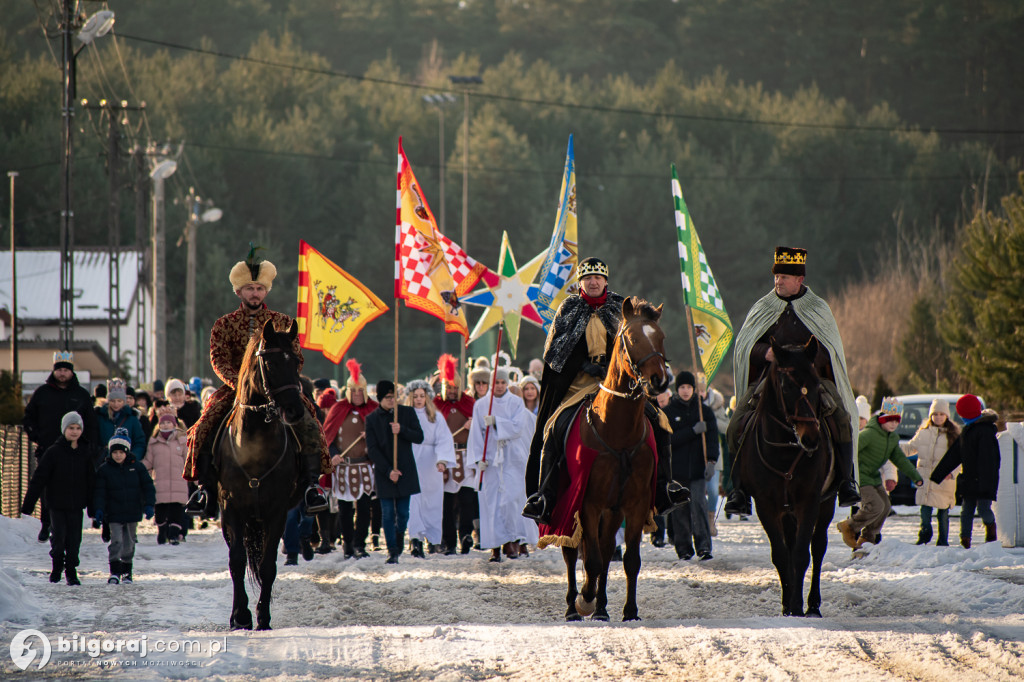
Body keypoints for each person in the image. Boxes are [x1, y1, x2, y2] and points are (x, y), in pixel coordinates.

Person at [524, 257, 686, 522]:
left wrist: (618, 367)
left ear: (606, 281)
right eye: (588, 278)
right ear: (580, 283)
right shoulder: (568, 308)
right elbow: (554, 352)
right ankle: (545, 496)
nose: (593, 281)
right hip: (578, 385)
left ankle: (664, 487)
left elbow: (637, 343)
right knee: (554, 426)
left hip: (619, 383)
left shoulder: (620, 308)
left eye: (598, 277)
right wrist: (583, 365)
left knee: (659, 421)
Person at [184, 246, 328, 516]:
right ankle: (204, 489)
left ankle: (311, 486)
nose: (255, 293)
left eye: (259, 289)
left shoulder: (283, 322)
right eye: (249, 288)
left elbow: (295, 356)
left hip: (276, 389)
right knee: (203, 424)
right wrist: (240, 383)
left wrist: (281, 380)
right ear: (239, 292)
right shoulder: (223, 325)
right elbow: (218, 359)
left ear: (266, 292)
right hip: (235, 390)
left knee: (309, 419)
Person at [725, 246, 861, 516]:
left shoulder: (818, 309)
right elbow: (745, 346)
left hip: (812, 380)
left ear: (799, 280)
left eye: (784, 277)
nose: (778, 282)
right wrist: (766, 352)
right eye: (776, 277)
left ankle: (847, 481)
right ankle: (738, 489)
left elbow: (829, 349)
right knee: (737, 423)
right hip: (771, 379)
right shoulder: (763, 307)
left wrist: (806, 359)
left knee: (842, 417)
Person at [22, 351, 100, 542]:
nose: (63, 373)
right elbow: (28, 418)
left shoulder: (80, 395)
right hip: (48, 448)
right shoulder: (42, 393)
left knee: (72, 485)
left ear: (72, 372)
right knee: (47, 487)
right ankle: (46, 522)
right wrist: (37, 436)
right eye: (60, 370)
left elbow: (91, 424)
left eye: (66, 370)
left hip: (75, 450)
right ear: (54, 371)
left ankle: (70, 526)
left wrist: (90, 447)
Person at [469, 366, 536, 562]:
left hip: (511, 459)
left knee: (511, 501)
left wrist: (497, 421)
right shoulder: (482, 404)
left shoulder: (516, 402)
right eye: (496, 382)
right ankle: (495, 546)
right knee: (492, 502)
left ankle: (513, 540)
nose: (499, 386)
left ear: (507, 383)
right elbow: (476, 433)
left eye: (502, 382)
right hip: (490, 459)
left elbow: (517, 427)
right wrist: (478, 458)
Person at [20, 411, 96, 585]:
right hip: (56, 503)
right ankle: (56, 567)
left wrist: (92, 506)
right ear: (64, 429)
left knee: (74, 540)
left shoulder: (85, 453)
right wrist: (28, 504)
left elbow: (91, 480)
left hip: (76, 504)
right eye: (71, 428)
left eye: (78, 428)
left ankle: (71, 570)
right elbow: (39, 478)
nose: (75, 431)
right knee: (59, 538)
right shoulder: (53, 452)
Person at [837, 397, 922, 550]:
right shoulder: (869, 434)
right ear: (881, 420)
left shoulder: (892, 438)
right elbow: (851, 450)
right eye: (890, 420)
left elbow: (900, 459)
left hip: (874, 477)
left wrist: (915, 477)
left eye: (897, 420)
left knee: (886, 506)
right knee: (875, 505)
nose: (894, 424)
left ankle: (868, 537)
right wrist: (845, 472)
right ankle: (848, 526)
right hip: (861, 476)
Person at [321, 359, 378, 559]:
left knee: (363, 508)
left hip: (364, 466)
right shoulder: (338, 409)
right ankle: (347, 544)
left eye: (360, 391)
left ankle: (360, 544)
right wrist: (334, 453)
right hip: (343, 467)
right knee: (345, 509)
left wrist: (370, 436)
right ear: (348, 392)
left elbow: (382, 439)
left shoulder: (373, 409)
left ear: (365, 391)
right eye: (353, 391)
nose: (356, 395)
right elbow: (328, 436)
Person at [930, 394, 1000, 548]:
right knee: (966, 510)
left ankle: (991, 531)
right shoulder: (967, 431)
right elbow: (954, 455)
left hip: (984, 480)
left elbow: (990, 461)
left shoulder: (985, 432)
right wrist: (937, 475)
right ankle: (965, 541)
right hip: (968, 479)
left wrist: (985, 482)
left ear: (966, 413)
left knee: (983, 509)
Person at [365, 380, 424, 564]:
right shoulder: (372, 419)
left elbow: (419, 436)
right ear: (380, 398)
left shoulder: (406, 413)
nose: (392, 400)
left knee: (403, 513)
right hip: (385, 472)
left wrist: (402, 430)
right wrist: (389, 470)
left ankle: (399, 538)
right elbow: (372, 449)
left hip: (405, 471)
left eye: (394, 396)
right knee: (388, 513)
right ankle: (392, 550)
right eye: (388, 397)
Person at [663, 371, 719, 560]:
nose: (685, 391)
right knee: (680, 510)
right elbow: (668, 440)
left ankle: (704, 546)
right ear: (677, 390)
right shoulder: (669, 412)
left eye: (688, 387)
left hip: (697, 470)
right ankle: (684, 548)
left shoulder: (704, 411)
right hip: (676, 470)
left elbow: (712, 439)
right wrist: (692, 431)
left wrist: (712, 461)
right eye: (682, 387)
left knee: (699, 506)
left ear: (694, 389)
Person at [94, 428, 156, 584]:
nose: (118, 455)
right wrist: (99, 509)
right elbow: (100, 492)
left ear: (127, 452)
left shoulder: (137, 467)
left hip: (132, 512)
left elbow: (148, 486)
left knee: (128, 544)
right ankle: (115, 571)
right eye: (115, 452)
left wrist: (149, 505)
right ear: (110, 453)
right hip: (113, 513)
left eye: (121, 452)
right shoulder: (105, 470)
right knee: (116, 541)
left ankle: (127, 571)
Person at [405, 380, 457, 557]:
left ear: (427, 397)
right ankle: (415, 539)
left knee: (432, 502)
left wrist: (442, 459)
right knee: (413, 501)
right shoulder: (404, 415)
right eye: (415, 396)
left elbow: (444, 439)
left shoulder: (435, 416)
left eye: (422, 396)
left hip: (431, 462)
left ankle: (433, 539)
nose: (419, 399)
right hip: (411, 460)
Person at [434, 354, 479, 555]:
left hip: (466, 456)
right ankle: (449, 541)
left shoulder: (470, 403)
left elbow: (482, 431)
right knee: (446, 505)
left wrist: (474, 424)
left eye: (455, 387)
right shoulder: (435, 405)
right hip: (446, 458)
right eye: (448, 387)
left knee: (467, 500)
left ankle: (466, 536)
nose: (452, 391)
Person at [902, 398, 960, 546]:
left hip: (944, 481)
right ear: (930, 416)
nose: (938, 417)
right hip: (925, 479)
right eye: (935, 414)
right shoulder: (923, 433)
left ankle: (943, 540)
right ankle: (924, 534)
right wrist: (894, 448)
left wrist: (952, 473)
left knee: (943, 512)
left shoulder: (953, 436)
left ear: (947, 415)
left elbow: (959, 458)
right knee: (925, 510)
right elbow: (910, 448)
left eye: (941, 414)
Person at [143, 406, 190, 545]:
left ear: (174, 424)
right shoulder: (154, 443)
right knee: (161, 511)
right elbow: (149, 461)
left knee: (177, 511)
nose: (165, 425)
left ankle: (174, 535)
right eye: (162, 422)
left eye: (168, 422)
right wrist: (138, 466)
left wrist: (194, 475)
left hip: (178, 482)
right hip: (160, 483)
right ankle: (162, 532)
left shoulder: (182, 441)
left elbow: (188, 460)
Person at [94, 378, 147, 469]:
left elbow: (139, 441)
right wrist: (99, 452)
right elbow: (94, 439)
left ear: (124, 401)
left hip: (126, 464)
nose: (116, 404)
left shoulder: (132, 418)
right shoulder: (100, 417)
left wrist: (132, 457)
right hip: (104, 464)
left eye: (119, 401)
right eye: (113, 401)